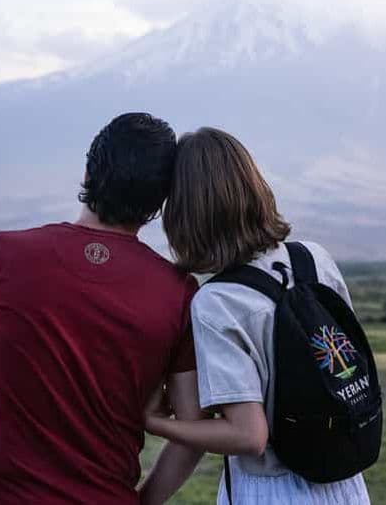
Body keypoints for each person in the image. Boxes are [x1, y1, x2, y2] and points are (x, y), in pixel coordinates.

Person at [0, 112, 205, 505]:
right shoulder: (177, 291)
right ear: (159, 201)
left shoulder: (3, 254)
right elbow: (193, 428)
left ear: (87, 173)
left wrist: (11, 429)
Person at [147, 127, 371, 504]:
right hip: (343, 482)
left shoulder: (217, 301)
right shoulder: (314, 258)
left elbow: (248, 436)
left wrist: (154, 423)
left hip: (271, 490)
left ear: (184, 213)